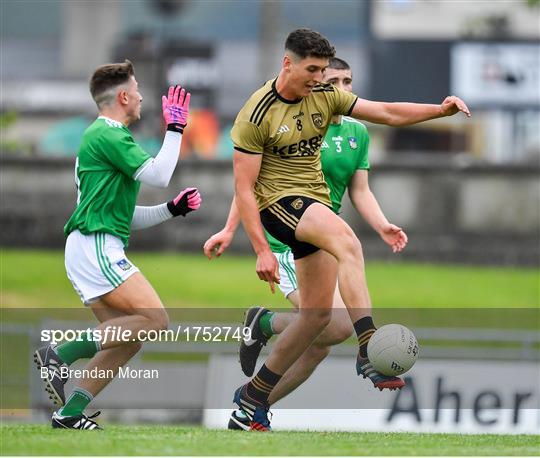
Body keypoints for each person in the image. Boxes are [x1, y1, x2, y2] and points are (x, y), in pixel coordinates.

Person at [214, 28, 470, 432]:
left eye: (323, 70)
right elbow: (244, 188)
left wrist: (440, 112)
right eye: (311, 69)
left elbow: (386, 112)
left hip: (312, 204)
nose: (319, 78)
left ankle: (252, 400)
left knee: (318, 319)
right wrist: (261, 249)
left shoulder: (325, 98)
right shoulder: (256, 113)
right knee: (348, 242)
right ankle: (368, 345)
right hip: (277, 205)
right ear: (287, 63)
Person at [203, 56, 408, 430]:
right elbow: (248, 184)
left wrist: (382, 225)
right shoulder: (293, 122)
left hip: (325, 239)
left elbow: (360, 190)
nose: (342, 89)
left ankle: (250, 407)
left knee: (318, 344)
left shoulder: (356, 133)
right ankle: (264, 324)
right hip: (285, 236)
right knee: (332, 326)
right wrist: (230, 229)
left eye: (347, 81)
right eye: (334, 81)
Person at [33, 60, 202, 430]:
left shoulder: (104, 136)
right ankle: (58, 355)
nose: (141, 96)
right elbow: (160, 174)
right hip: (95, 249)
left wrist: (171, 210)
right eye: (137, 89)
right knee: (156, 320)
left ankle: (69, 413)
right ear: (123, 96)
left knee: (128, 339)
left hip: (92, 247)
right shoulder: (109, 134)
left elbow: (124, 219)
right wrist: (175, 129)